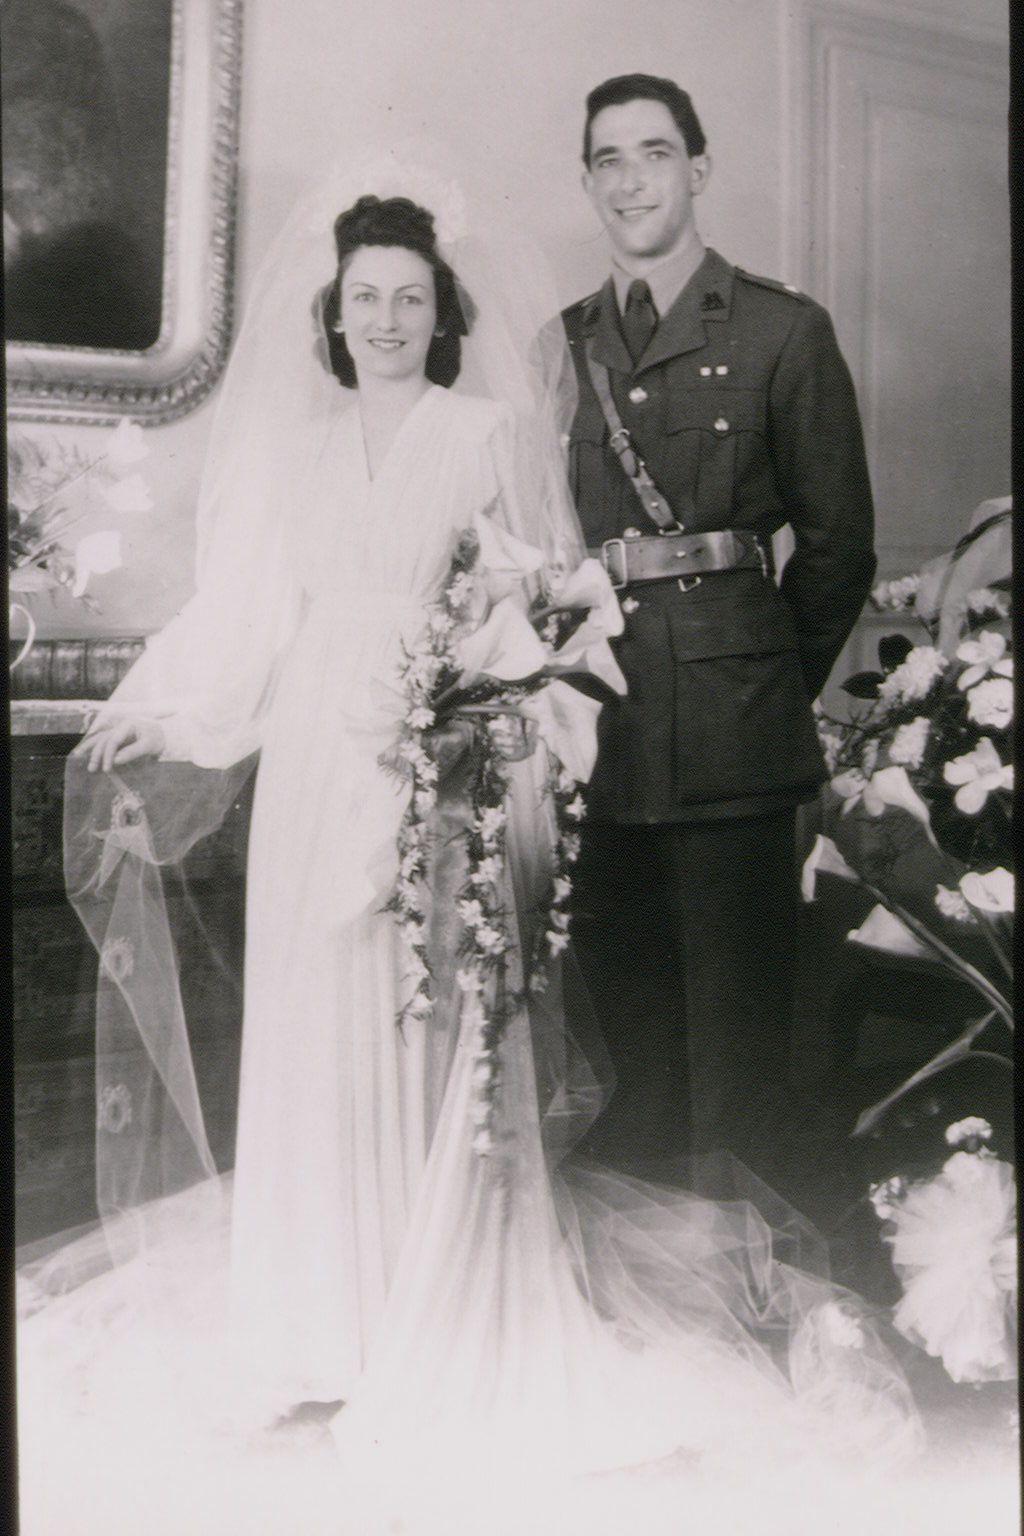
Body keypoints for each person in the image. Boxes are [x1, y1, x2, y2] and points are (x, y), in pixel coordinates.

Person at [16, 165, 922, 1536]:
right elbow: (247, 618)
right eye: (365, 298)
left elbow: (540, 608)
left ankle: (423, 1302)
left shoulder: (488, 427)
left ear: (441, 314)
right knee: (317, 1025)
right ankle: (321, 1312)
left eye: (409, 299)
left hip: (439, 774)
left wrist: (489, 757)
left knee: (427, 1035)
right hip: (319, 769)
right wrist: (159, 720)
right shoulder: (294, 447)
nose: (386, 318)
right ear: (333, 313)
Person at [562, 75, 877, 1187]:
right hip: (601, 732)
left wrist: (761, 681)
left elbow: (838, 545)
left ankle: (757, 1295)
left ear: (698, 169)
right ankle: (653, 1291)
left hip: (735, 735)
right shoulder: (567, 346)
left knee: (741, 1047)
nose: (631, 178)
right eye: (608, 158)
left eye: (655, 153)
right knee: (627, 1033)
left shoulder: (781, 329)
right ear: (587, 179)